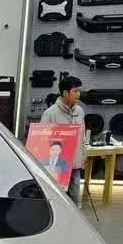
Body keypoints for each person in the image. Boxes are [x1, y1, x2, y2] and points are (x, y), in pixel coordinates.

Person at [41, 73, 85, 203]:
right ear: (65, 93)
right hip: (57, 166)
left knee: (75, 199)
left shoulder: (80, 111)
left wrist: (83, 155)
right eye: (75, 91)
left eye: (79, 91)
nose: (78, 94)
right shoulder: (50, 113)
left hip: (75, 164)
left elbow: (82, 136)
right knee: (59, 200)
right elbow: (42, 140)